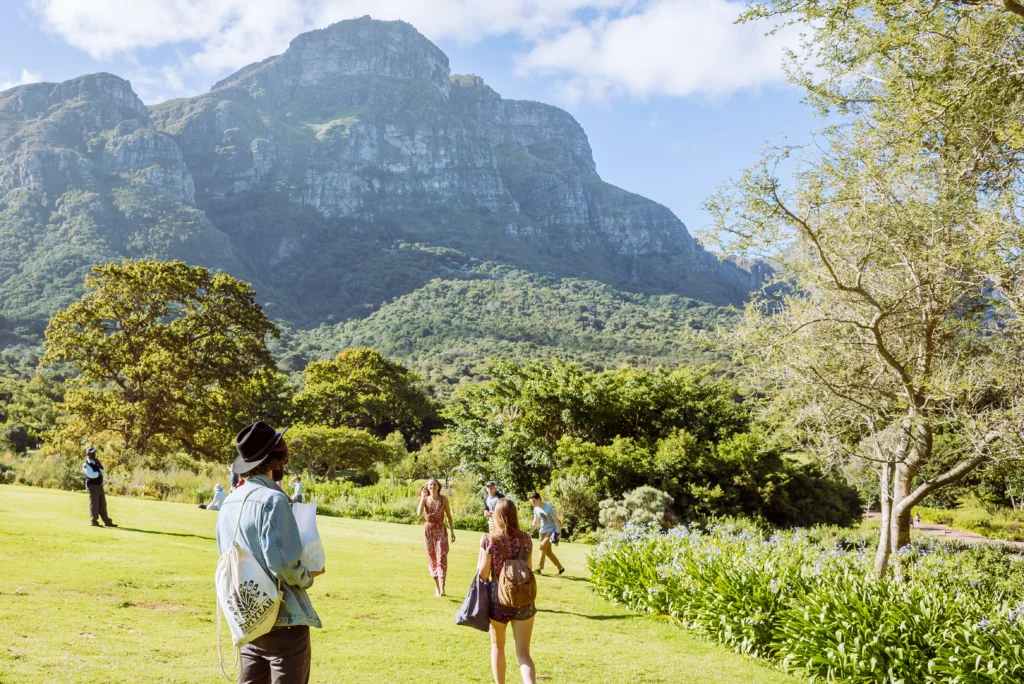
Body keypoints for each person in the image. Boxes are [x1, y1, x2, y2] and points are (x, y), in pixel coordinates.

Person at [216, 421, 324, 684]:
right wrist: (307, 577)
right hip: (282, 615)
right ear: (276, 459)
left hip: (247, 613)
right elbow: (283, 564)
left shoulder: (229, 502)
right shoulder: (274, 500)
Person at [477, 498, 537, 684]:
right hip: (523, 598)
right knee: (523, 653)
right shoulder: (525, 539)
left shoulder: (489, 540)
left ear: (496, 515)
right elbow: (528, 567)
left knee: (498, 647)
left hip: (498, 598)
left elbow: (484, 574)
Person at [417, 477, 455, 596]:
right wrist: (422, 498)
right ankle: (437, 588)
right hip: (428, 531)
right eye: (430, 485)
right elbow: (419, 513)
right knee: (432, 559)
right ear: (427, 487)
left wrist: (452, 532)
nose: (432, 487)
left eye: (434, 485)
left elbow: (449, 516)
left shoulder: (444, 500)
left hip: (440, 530)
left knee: (441, 557)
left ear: (438, 486)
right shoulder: (425, 500)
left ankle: (443, 588)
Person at [528, 493, 563, 575]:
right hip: (543, 531)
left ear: (539, 499)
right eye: (531, 502)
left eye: (534, 501)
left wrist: (559, 533)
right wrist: (530, 532)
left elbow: (556, 521)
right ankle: (560, 568)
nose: (533, 503)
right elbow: (536, 522)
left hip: (551, 530)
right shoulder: (536, 509)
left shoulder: (548, 508)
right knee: (548, 552)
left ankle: (539, 568)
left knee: (542, 547)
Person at [82, 447, 117, 528]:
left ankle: (107, 521)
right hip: (92, 486)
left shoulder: (95, 462)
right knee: (94, 504)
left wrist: (99, 464)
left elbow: (103, 470)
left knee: (103, 504)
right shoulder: (85, 464)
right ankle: (94, 521)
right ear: (88, 454)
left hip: (99, 485)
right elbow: (92, 475)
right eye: (92, 453)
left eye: (94, 452)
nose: (94, 454)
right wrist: (99, 472)